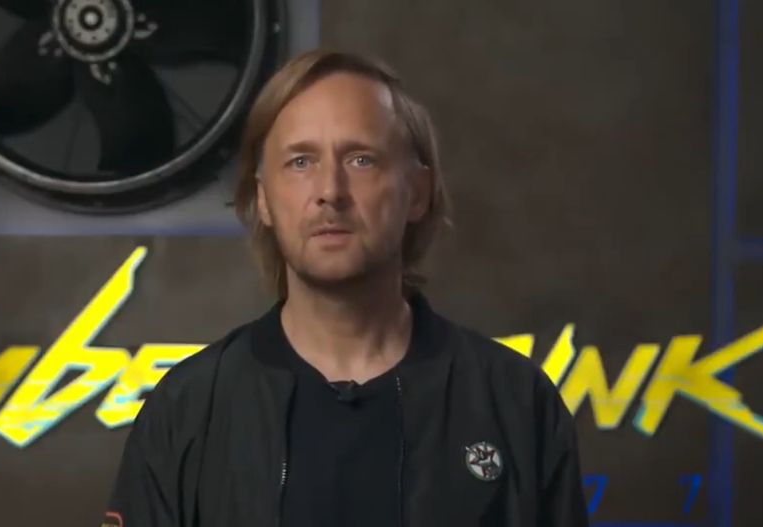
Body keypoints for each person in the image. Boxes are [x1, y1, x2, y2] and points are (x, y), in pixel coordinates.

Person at [102, 49, 588, 527]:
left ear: (417, 192)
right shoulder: (188, 410)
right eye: (300, 162)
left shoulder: (517, 403)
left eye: (360, 159)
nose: (329, 191)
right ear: (264, 198)